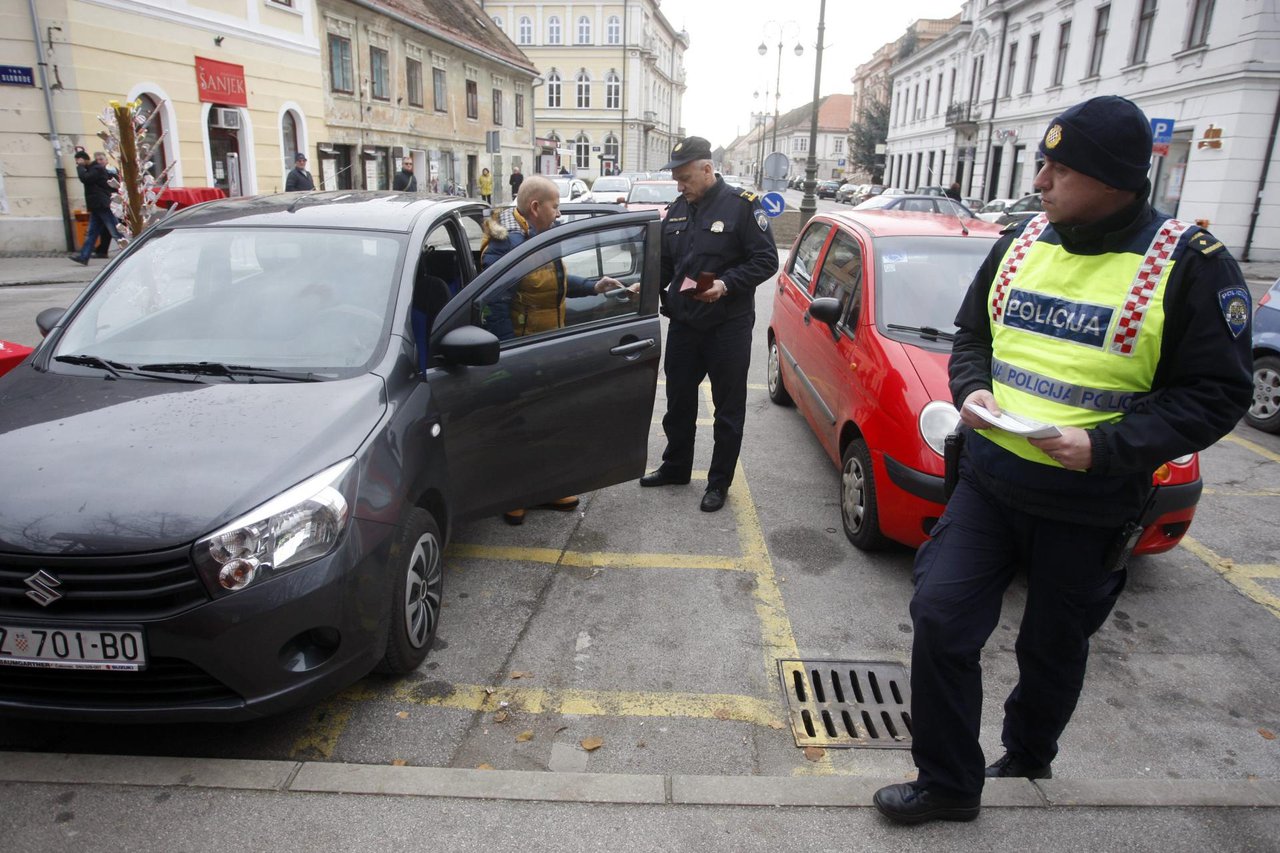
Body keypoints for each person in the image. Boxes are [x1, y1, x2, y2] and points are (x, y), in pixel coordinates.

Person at [872, 96, 1254, 826]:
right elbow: (970, 338)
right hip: (990, 481)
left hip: (1090, 501)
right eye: (1042, 163)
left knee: (1053, 648)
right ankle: (949, 781)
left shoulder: (1187, 263)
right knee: (941, 617)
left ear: (1111, 177)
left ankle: (1026, 755)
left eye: (1058, 166)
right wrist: (973, 388)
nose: (1040, 179)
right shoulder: (1020, 240)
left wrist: (1104, 445)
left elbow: (1215, 394)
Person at [479, 175, 631, 525]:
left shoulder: (539, 238)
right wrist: (508, 357)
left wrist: (594, 285)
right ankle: (512, 495)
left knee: (546, 421)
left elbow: (555, 286)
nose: (559, 213)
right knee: (518, 424)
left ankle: (544, 489)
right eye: (556, 206)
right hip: (523, 350)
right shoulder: (507, 245)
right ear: (536, 207)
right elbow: (493, 308)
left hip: (548, 347)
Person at [638, 136, 779, 513]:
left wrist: (726, 284)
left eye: (685, 177)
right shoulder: (678, 209)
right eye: (676, 179)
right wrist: (644, 284)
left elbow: (766, 260)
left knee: (727, 410)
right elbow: (668, 264)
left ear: (706, 169)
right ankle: (676, 466)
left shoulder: (743, 207)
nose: (680, 186)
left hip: (726, 327)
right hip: (685, 323)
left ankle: (718, 483)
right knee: (678, 401)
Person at [71, 149, 122, 265]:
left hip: (102, 205)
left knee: (115, 231)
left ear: (84, 160)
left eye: (78, 161)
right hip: (96, 206)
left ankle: (129, 252)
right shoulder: (93, 169)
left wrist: (79, 167)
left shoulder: (96, 169)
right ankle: (84, 256)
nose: (78, 163)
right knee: (92, 233)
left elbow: (85, 178)